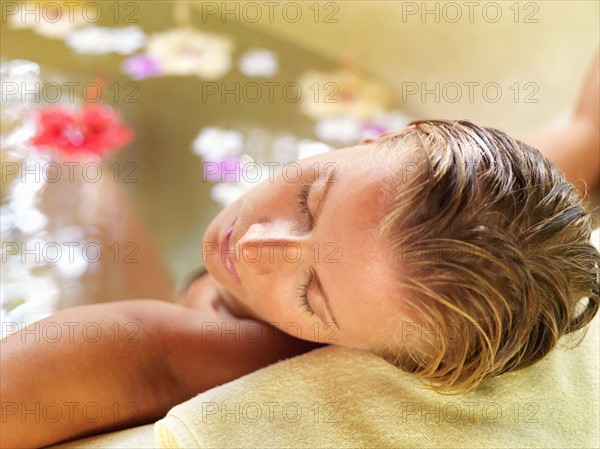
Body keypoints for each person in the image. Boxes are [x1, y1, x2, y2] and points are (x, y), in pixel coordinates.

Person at [2, 54, 598, 448]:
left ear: (353, 349)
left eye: (312, 295)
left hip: (177, 308)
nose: (259, 246)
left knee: (59, 161)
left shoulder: (204, 346)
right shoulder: (460, 218)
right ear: (391, 135)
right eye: (309, 200)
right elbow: (589, 125)